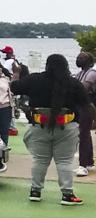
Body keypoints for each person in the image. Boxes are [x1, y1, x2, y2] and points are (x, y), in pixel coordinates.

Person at [10, 53, 96, 205]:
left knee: (40, 160)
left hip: (39, 125)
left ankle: (35, 191)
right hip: (67, 126)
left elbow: (14, 88)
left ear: (47, 65)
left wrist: (16, 73)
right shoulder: (73, 83)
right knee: (64, 162)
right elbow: (85, 105)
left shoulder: (34, 79)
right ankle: (67, 195)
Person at [74, 52, 96, 177]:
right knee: (85, 133)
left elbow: (83, 89)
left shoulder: (91, 73)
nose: (78, 59)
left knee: (83, 134)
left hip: (89, 106)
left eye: (81, 58)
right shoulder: (81, 73)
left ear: (88, 61)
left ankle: (82, 166)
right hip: (83, 106)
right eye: (77, 58)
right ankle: (88, 162)